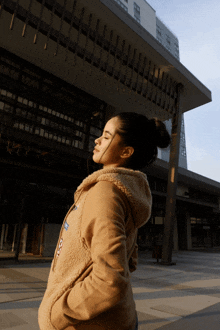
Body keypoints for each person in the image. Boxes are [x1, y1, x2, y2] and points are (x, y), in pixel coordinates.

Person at [38, 112, 171, 330]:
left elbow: (110, 279)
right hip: (115, 318)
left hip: (90, 324)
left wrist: (56, 313)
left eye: (107, 136)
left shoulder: (105, 193)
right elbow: (130, 260)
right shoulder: (123, 192)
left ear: (126, 151)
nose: (97, 140)